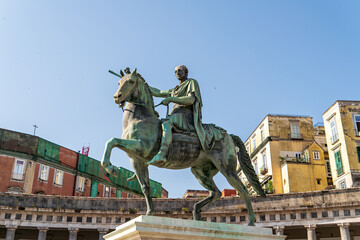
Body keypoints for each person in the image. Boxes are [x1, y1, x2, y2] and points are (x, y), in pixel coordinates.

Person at [148, 65, 222, 164]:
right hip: (175, 115)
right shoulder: (175, 89)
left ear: (186, 72)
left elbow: (191, 99)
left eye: (180, 70)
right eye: (175, 71)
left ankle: (162, 154)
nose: (177, 73)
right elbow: (158, 92)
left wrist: (171, 99)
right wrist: (141, 83)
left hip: (185, 115)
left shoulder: (191, 82)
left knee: (166, 124)